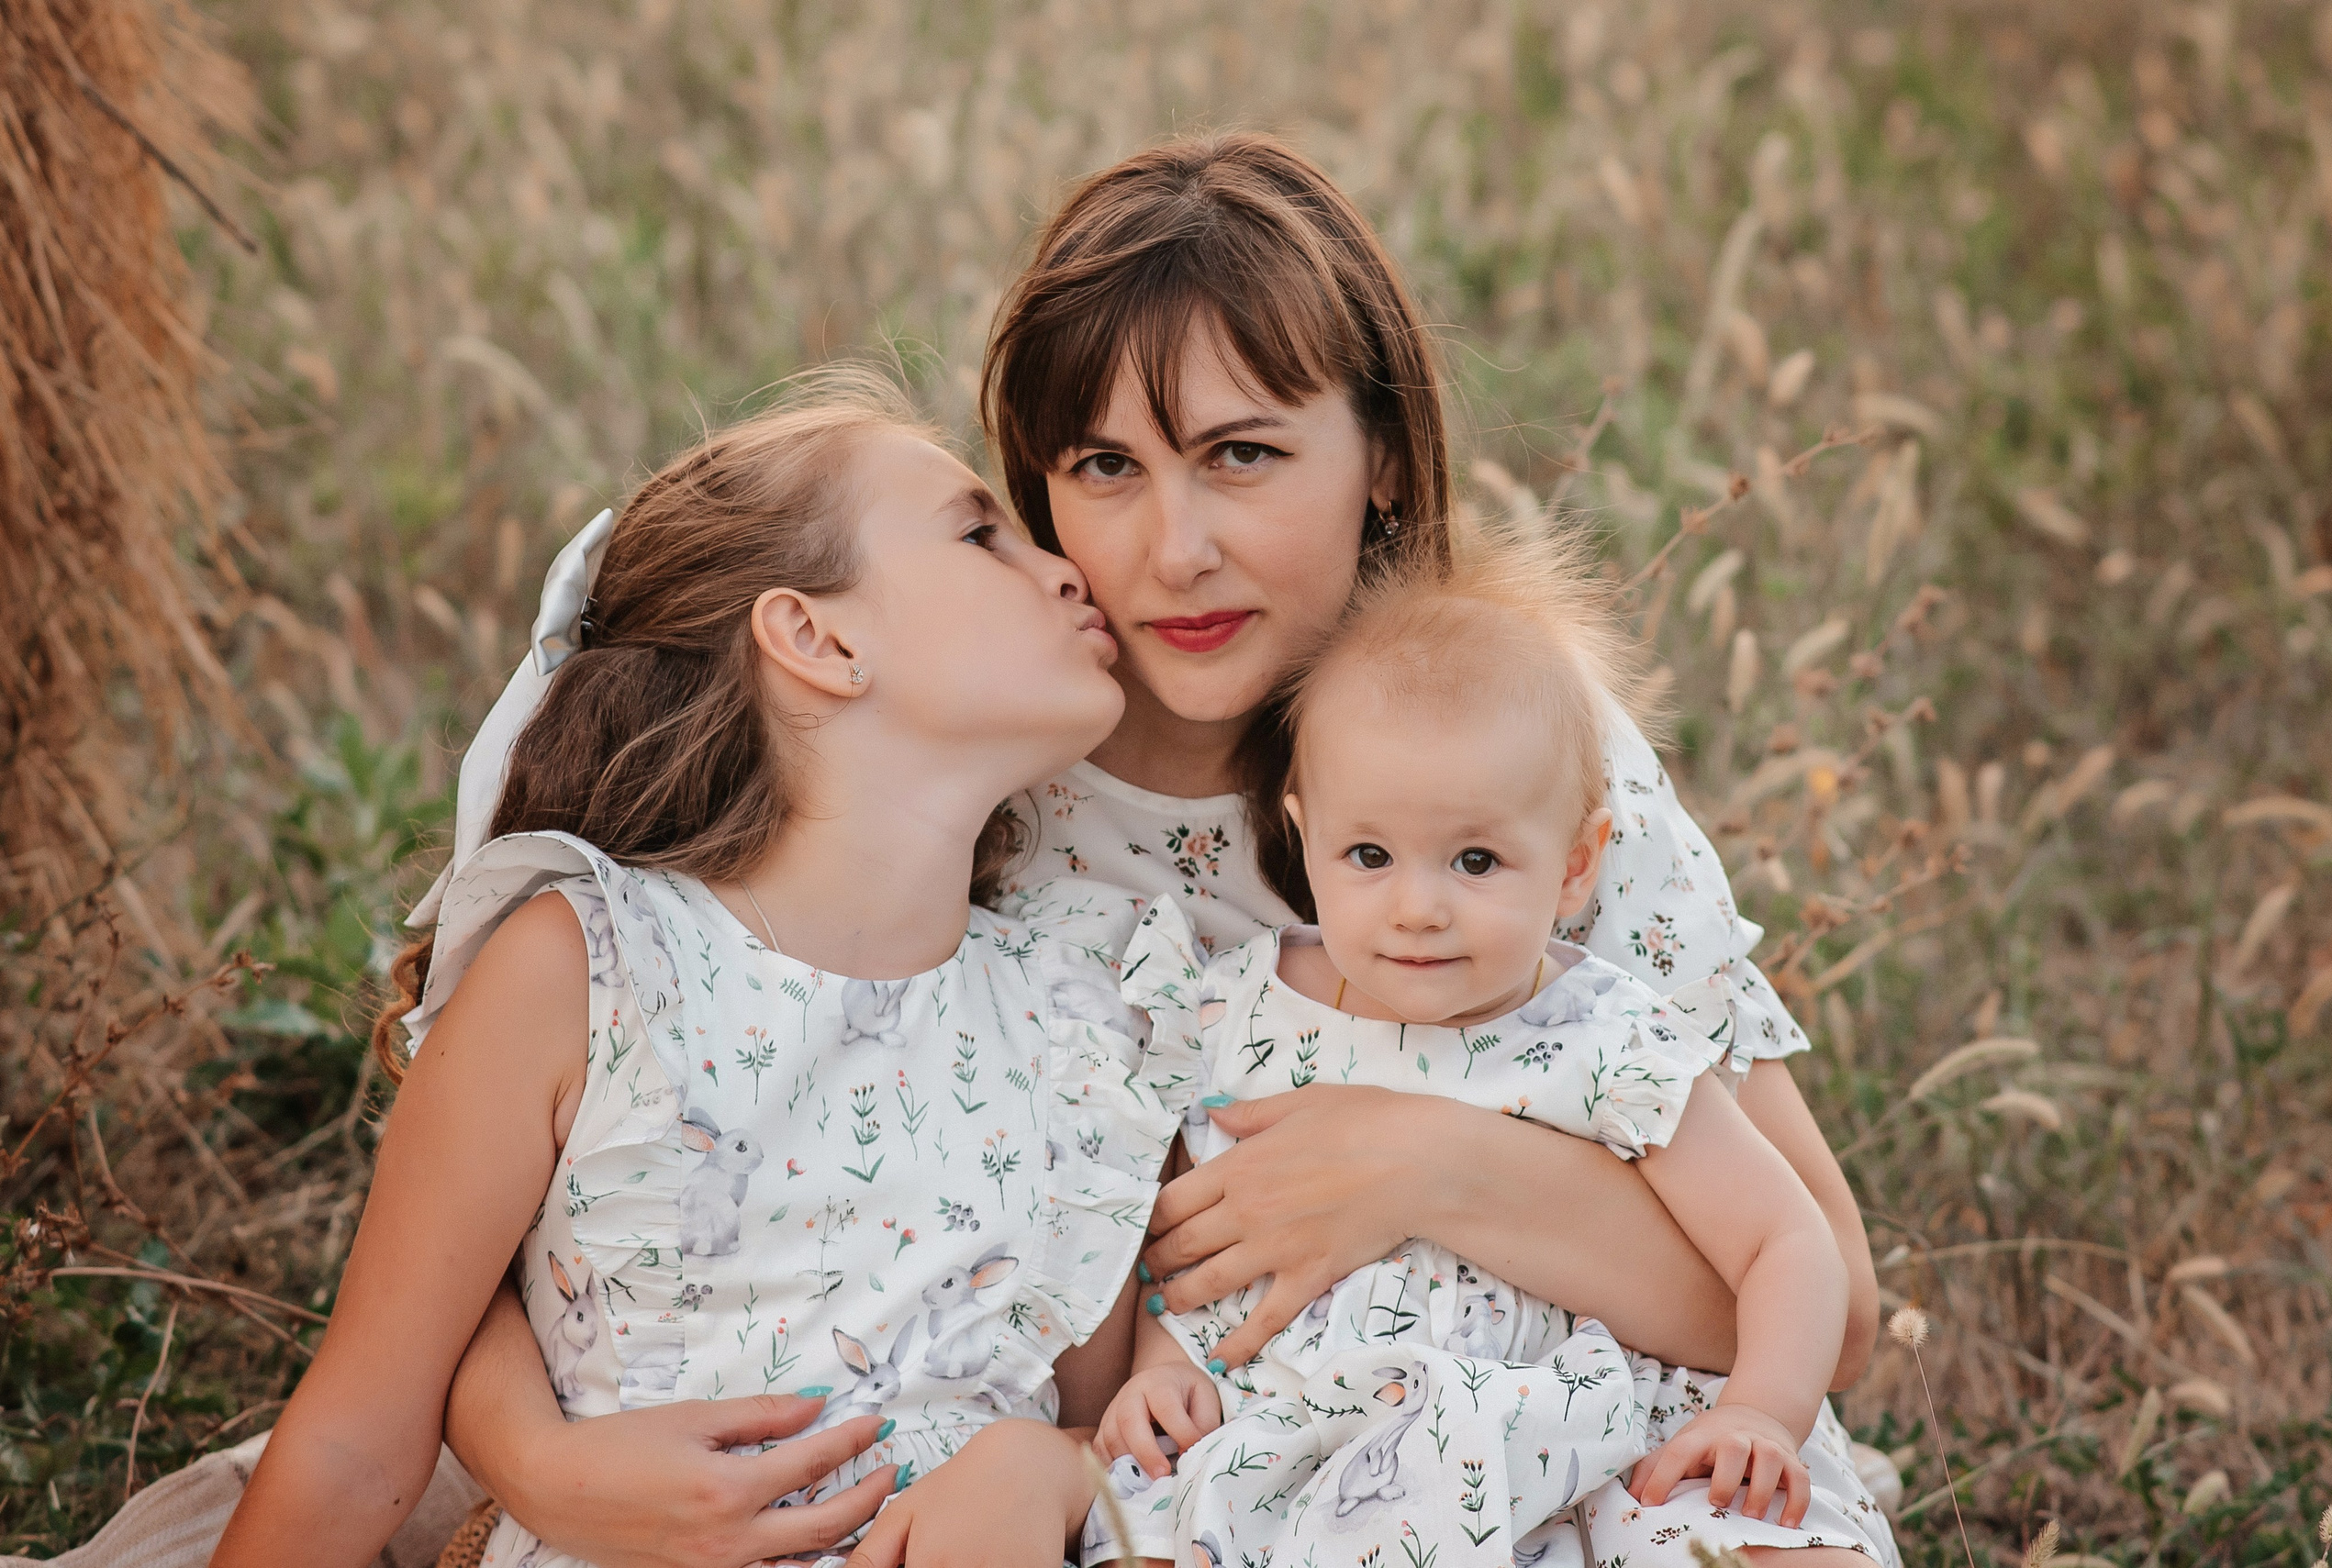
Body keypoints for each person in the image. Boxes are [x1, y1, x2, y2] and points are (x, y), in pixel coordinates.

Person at [435, 133, 1883, 1568]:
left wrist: (1430, 1165)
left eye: (1242, 455)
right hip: (1230, 1467)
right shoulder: (975, 777)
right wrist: (536, 1461)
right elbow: (519, 1176)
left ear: (1381, 457)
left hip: (1613, 1418)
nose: (1173, 548)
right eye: (1107, 467)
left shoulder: (1511, 766)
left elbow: (1836, 1300)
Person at [212, 379, 1180, 1568]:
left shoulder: (1076, 1007)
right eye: (983, 534)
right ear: (817, 638)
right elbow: (359, 1441)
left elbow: (1103, 1413)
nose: (1066, 569)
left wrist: (1060, 1463)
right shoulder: (588, 967)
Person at [1087, 525, 1896, 1566]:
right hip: (1314, 1441)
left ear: (1574, 866)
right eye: (1368, 853)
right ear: (1302, 831)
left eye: (1475, 858)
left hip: (1597, 1441)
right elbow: (1193, 1239)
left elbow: (1786, 1241)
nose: (1418, 907)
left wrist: (1760, 1413)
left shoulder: (1604, 1034)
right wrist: (1161, 1366)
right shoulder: (1234, 1011)